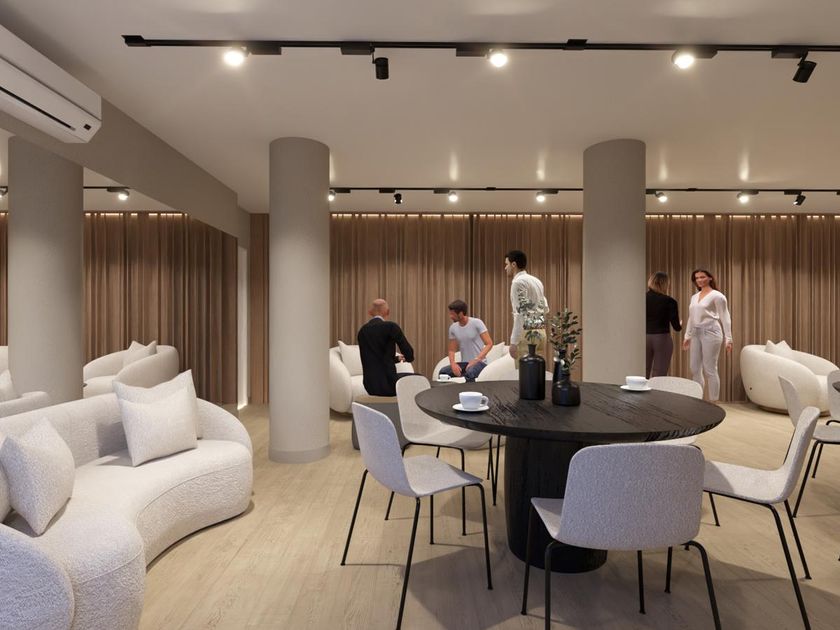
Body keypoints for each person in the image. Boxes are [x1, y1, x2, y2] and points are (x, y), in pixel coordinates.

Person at [682, 268, 733, 401]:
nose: (699, 280)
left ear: (710, 278)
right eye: (697, 278)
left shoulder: (717, 296)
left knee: (710, 369)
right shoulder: (694, 297)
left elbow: (725, 316)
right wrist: (687, 336)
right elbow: (691, 317)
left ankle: (713, 402)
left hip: (711, 332)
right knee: (694, 368)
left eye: (702, 277)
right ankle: (697, 400)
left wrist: (729, 339)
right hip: (696, 333)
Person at [357, 298, 415, 397]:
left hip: (370, 385)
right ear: (387, 312)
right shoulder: (391, 327)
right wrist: (408, 357)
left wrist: (397, 359)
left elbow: (375, 358)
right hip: (389, 384)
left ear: (370, 312)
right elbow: (409, 355)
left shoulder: (362, 331)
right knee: (420, 379)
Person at [505, 249, 548, 361]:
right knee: (537, 369)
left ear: (513, 264)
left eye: (507, 264)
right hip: (541, 332)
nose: (505, 268)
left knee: (524, 370)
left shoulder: (517, 282)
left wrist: (514, 342)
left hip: (527, 334)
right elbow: (545, 307)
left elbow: (520, 313)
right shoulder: (537, 281)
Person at [439, 299, 494, 382]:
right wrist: (453, 364)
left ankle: (466, 386)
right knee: (443, 372)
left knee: (470, 372)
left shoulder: (477, 323)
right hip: (465, 364)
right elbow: (451, 350)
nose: (450, 316)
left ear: (460, 313)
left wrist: (476, 359)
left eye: (452, 314)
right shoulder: (453, 328)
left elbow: (489, 344)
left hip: (480, 363)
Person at [646, 271, 682, 377]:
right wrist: (680, 324)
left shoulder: (641, 299)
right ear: (665, 284)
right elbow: (676, 327)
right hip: (662, 338)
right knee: (659, 373)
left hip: (644, 338)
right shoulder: (670, 301)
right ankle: (656, 389)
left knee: (643, 371)